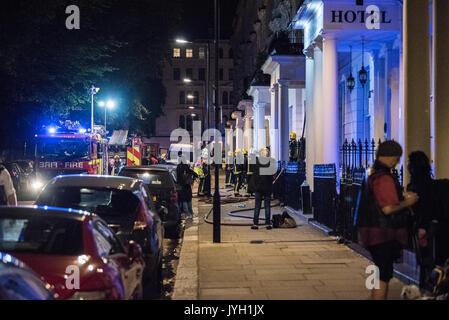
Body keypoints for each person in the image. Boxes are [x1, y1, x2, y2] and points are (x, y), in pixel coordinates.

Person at [356, 140, 419, 300]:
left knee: (379, 272)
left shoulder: (372, 173)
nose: (397, 162)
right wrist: (408, 201)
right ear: (392, 157)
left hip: (371, 231)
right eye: (397, 158)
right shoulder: (384, 178)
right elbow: (388, 208)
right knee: (383, 273)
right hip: (382, 233)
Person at [407, 151, 449, 289]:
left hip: (427, 229)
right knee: (430, 260)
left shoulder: (418, 187)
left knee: (426, 260)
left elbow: (426, 208)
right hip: (437, 228)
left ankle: (428, 286)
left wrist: (422, 227)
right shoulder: (429, 185)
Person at [252, 147, 275, 230]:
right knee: (267, 206)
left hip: (258, 188)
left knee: (257, 206)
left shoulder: (257, 163)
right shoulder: (270, 163)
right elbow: (272, 175)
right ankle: (268, 224)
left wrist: (255, 187)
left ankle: (255, 224)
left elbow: (254, 176)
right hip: (267, 188)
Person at [176, 153, 197, 218]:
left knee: (184, 200)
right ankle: (191, 213)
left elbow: (177, 178)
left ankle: (188, 214)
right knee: (189, 199)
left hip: (181, 186)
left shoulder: (178, 167)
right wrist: (195, 175)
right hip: (187, 185)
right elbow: (191, 172)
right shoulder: (186, 166)